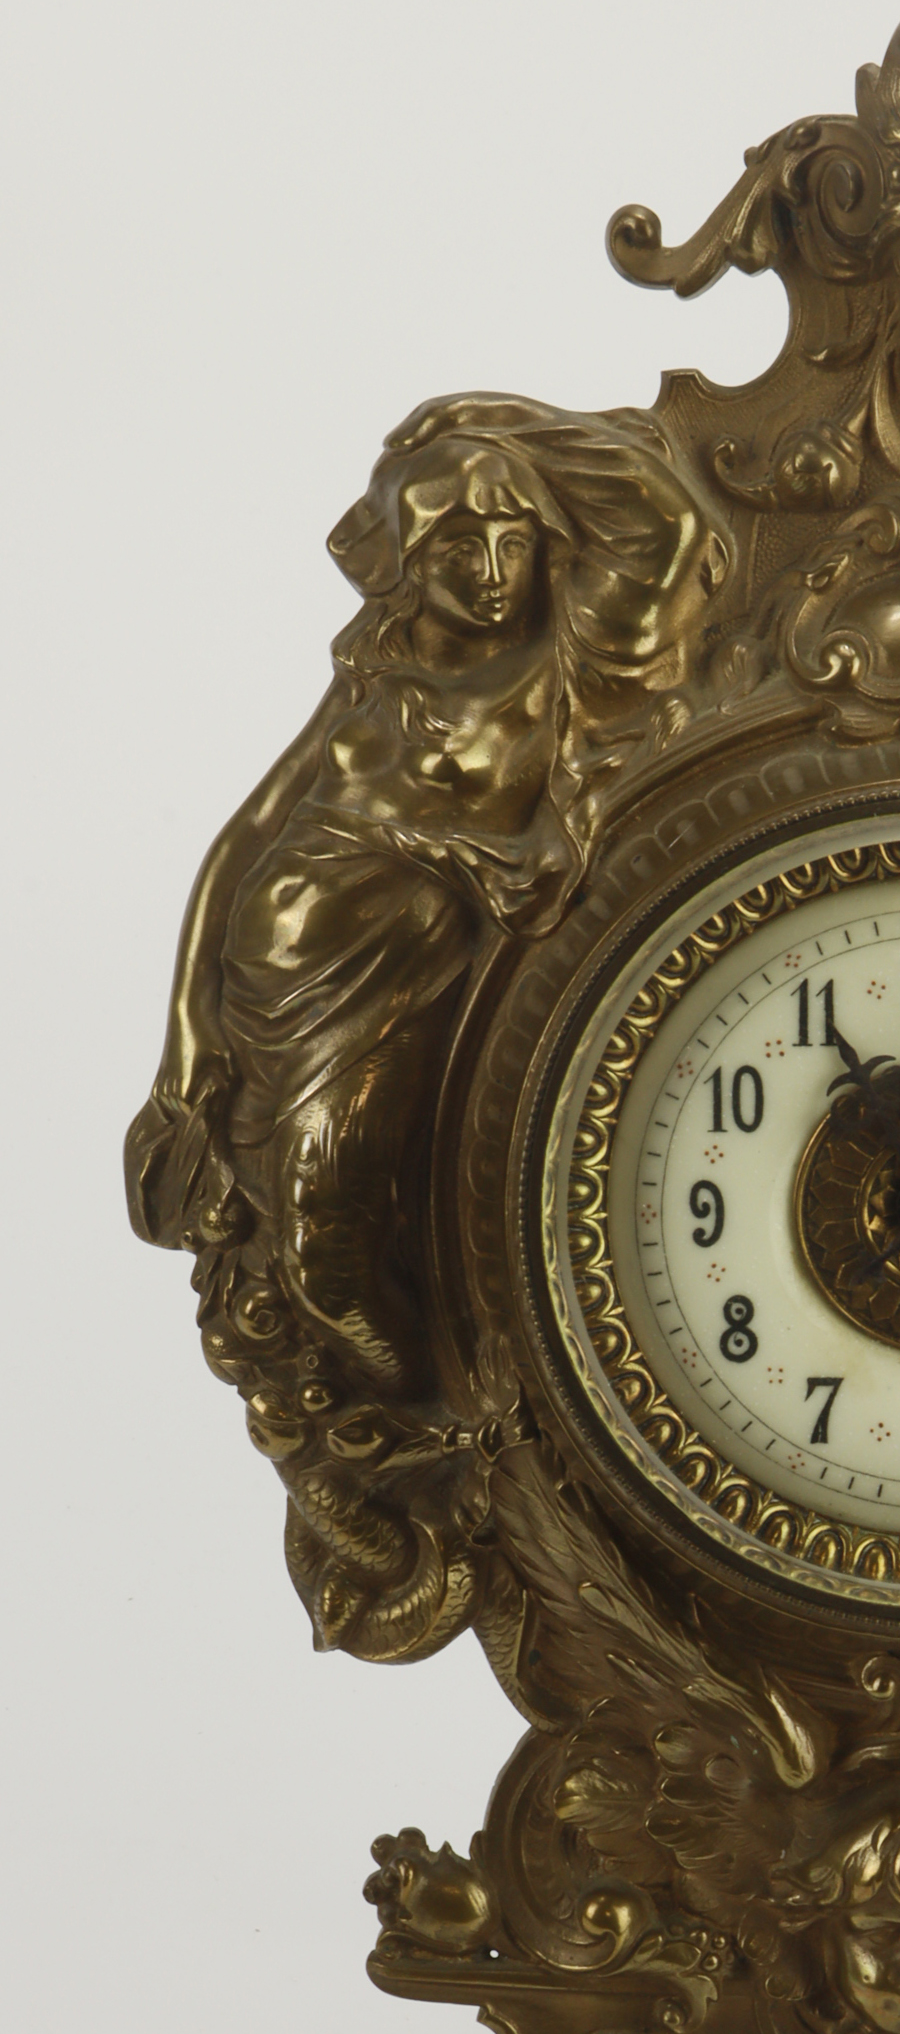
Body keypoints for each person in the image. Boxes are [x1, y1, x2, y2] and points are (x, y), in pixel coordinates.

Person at [127, 394, 726, 1398]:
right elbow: (252, 834)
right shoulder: (372, 674)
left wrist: (501, 422)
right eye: (454, 551)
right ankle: (439, 1442)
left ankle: (459, 1438)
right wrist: (188, 1030)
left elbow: (666, 529)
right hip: (269, 993)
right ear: (407, 559)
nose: (490, 575)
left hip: (396, 993)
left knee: (327, 1249)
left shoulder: (567, 664)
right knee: (296, 1248)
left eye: (511, 542)